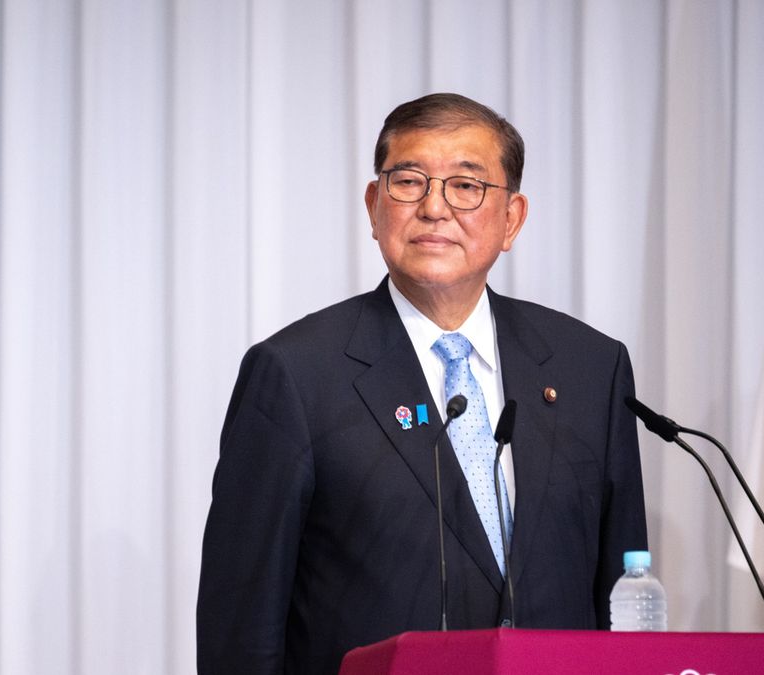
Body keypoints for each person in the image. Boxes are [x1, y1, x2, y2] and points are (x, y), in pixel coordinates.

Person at [197, 93, 647, 675]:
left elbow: (626, 599)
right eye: (409, 181)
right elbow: (242, 632)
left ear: (511, 218)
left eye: (466, 186)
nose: (435, 208)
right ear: (374, 206)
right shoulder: (296, 375)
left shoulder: (591, 368)